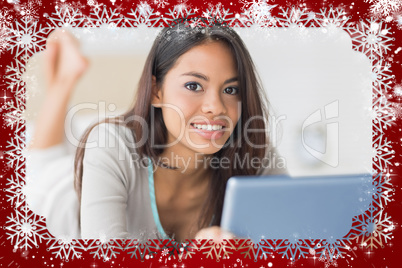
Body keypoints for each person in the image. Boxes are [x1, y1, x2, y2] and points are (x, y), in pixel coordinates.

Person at [25, 21, 286, 242]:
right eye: (194, 85)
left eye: (231, 90)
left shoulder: (254, 152)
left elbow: (295, 237)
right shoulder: (110, 143)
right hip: (54, 199)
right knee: (42, 162)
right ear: (155, 90)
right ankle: (64, 78)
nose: (216, 107)